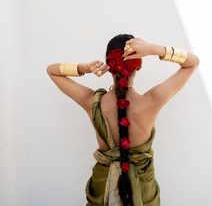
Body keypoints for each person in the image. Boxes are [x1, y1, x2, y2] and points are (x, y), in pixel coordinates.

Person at [47, 34, 200, 206]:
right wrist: (154, 49)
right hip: (143, 192)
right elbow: (192, 63)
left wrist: (85, 68)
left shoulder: (93, 102)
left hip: (102, 189)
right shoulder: (152, 101)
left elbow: (52, 71)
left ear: (109, 65)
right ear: (139, 64)